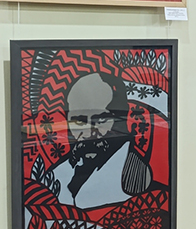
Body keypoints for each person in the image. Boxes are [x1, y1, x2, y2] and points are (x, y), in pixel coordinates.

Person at [52, 71, 153, 208]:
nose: (89, 132)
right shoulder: (55, 175)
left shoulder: (137, 178)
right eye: (79, 122)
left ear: (120, 119)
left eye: (100, 120)